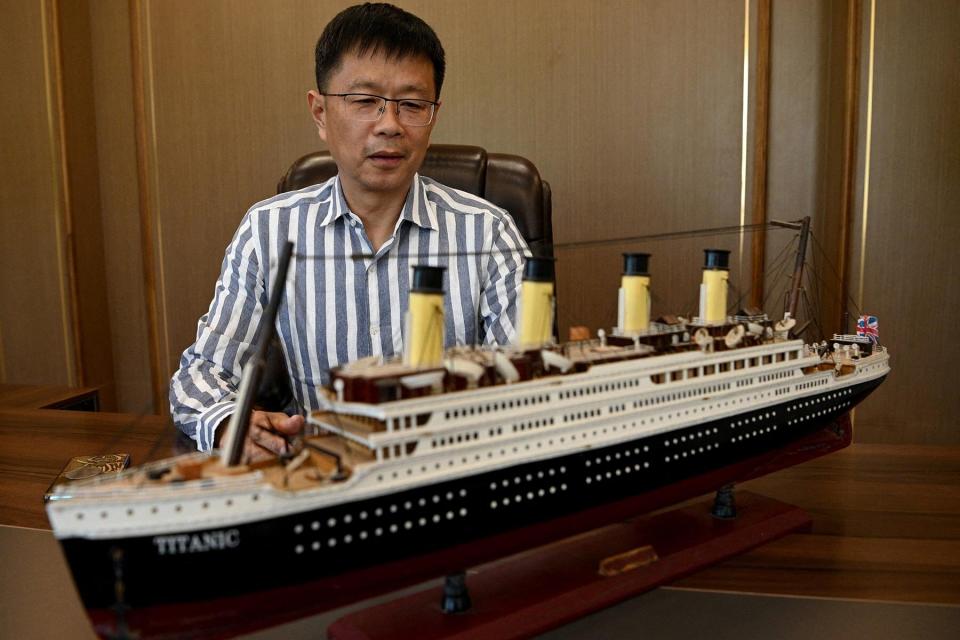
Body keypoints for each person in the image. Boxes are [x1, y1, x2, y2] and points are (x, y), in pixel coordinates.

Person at [170, 3, 529, 462]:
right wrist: (226, 424)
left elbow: (526, 382)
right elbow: (202, 373)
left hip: (454, 473)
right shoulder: (269, 230)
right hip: (325, 478)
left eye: (412, 105)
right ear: (319, 112)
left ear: (433, 115)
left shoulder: (489, 233)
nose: (389, 125)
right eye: (364, 102)